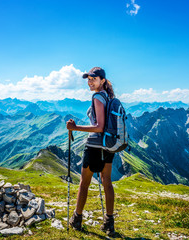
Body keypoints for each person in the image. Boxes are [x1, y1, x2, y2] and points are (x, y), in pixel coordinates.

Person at [66, 67, 116, 236]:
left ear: (102, 80)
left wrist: (75, 127)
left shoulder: (97, 97)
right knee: (107, 181)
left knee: (84, 183)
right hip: (109, 145)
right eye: (88, 79)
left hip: (95, 146)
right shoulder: (109, 97)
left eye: (93, 79)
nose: (90, 81)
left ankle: (77, 219)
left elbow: (99, 126)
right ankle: (109, 223)